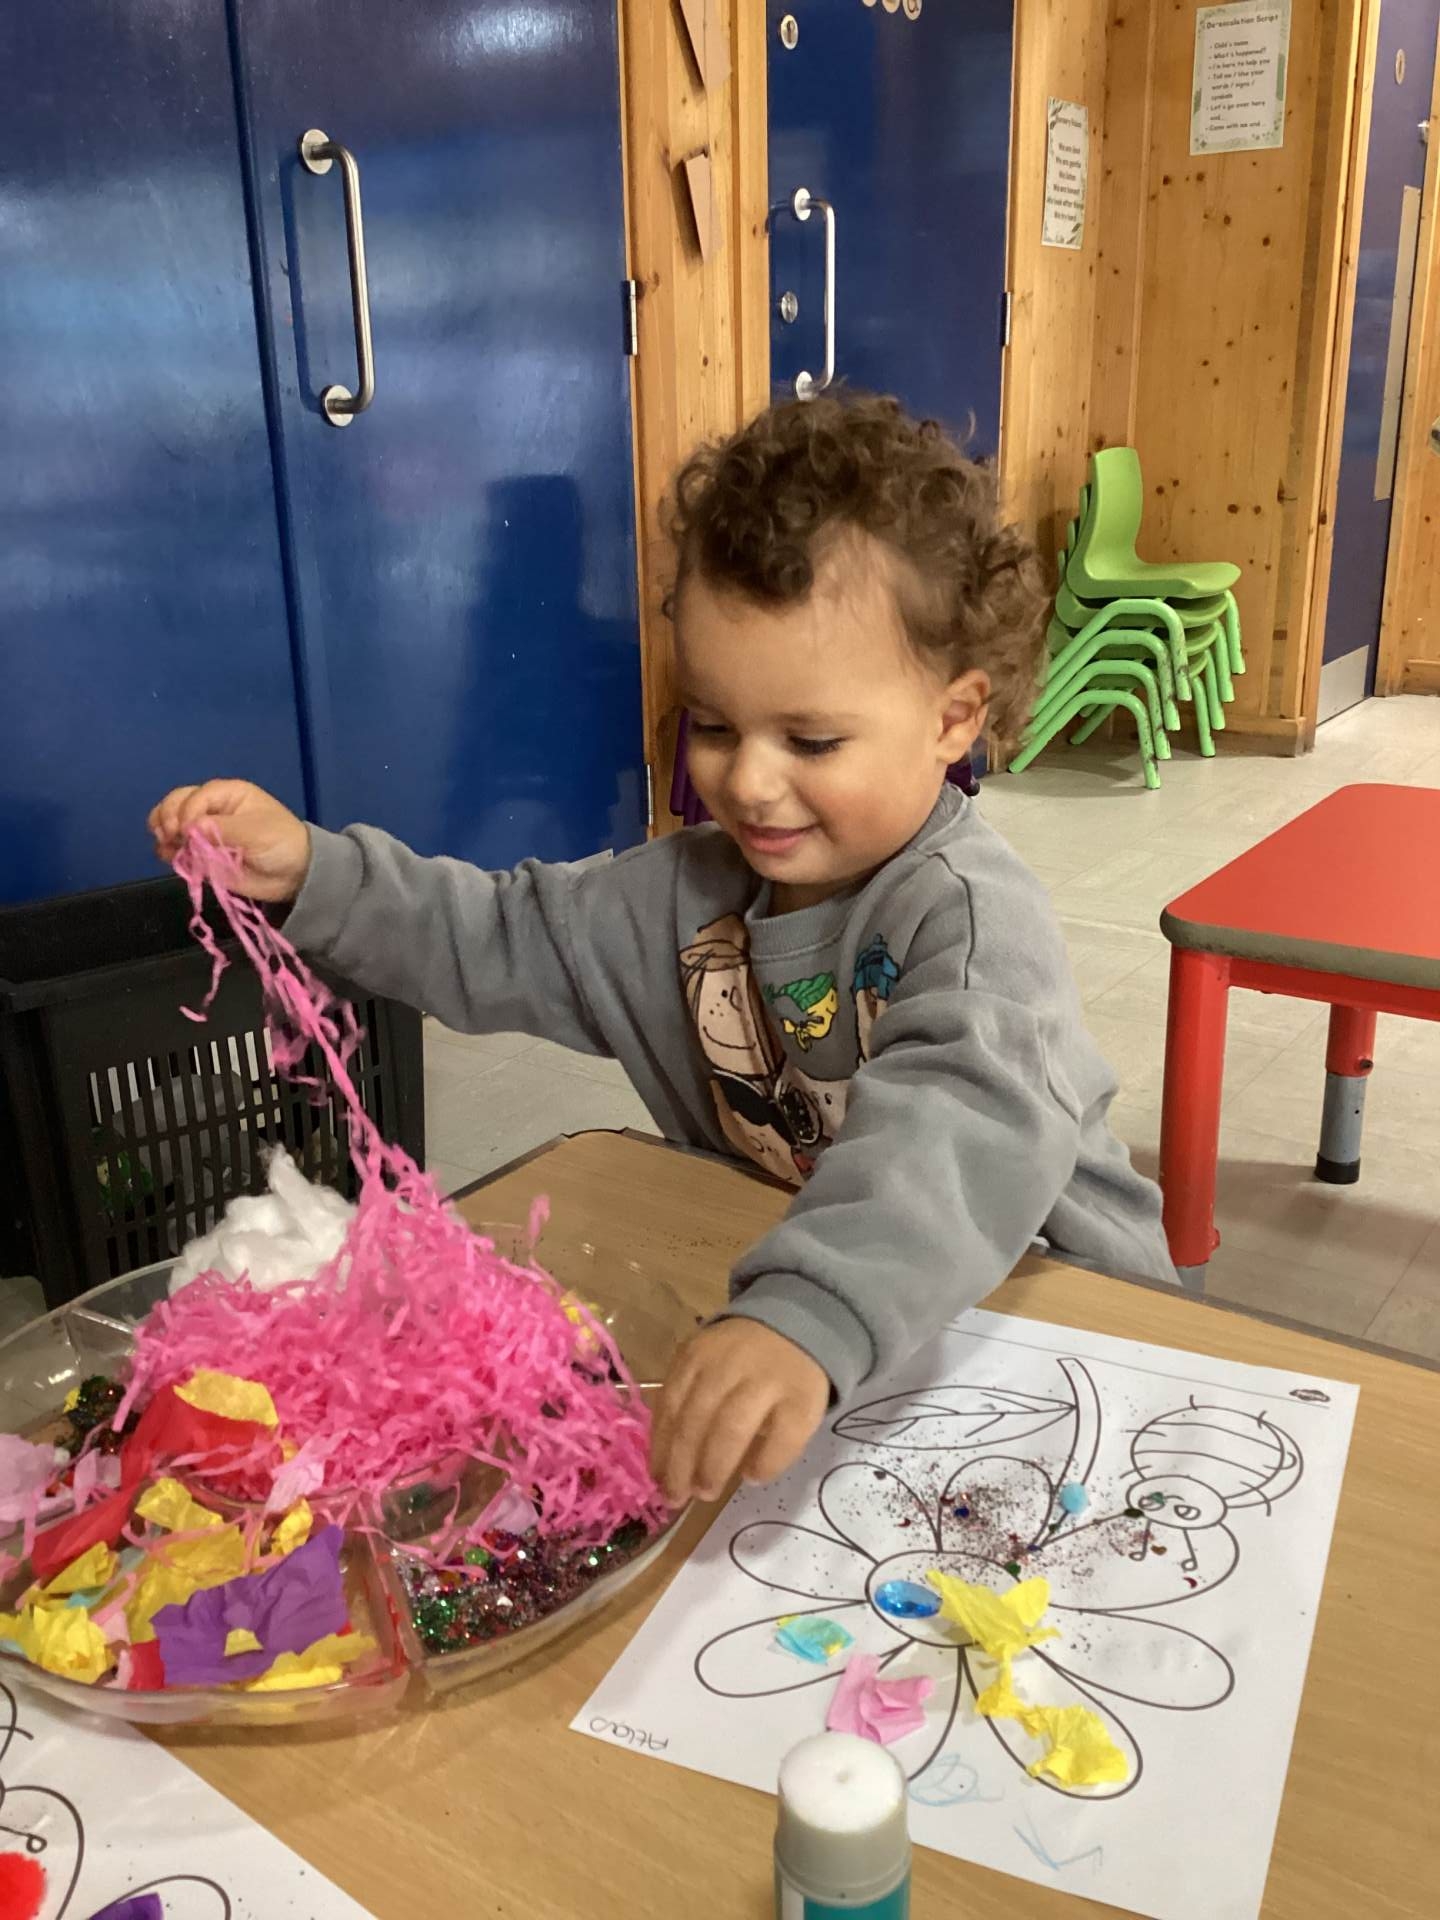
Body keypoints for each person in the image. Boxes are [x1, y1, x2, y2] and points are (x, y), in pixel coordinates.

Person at [149, 390, 1172, 1513]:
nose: (750, 780)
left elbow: (959, 1130)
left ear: (953, 718)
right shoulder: (677, 895)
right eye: (717, 725)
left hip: (1067, 1331)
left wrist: (807, 1311)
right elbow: (493, 934)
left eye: (811, 739)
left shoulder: (969, 921)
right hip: (837, 1338)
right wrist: (314, 872)